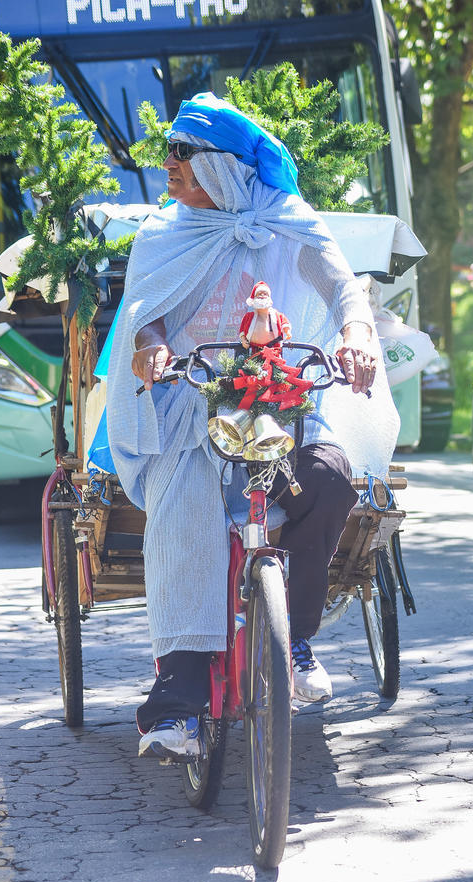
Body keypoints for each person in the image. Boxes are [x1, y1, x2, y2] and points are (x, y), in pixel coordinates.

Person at [107, 92, 400, 760]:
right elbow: (144, 313)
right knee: (185, 501)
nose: (169, 165)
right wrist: (151, 344)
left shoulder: (288, 224)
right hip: (191, 404)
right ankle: (177, 703)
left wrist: (355, 335)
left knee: (327, 480)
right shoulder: (163, 232)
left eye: (184, 153)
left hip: (281, 402)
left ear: (228, 169)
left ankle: (291, 640)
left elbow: (342, 289)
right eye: (171, 151)